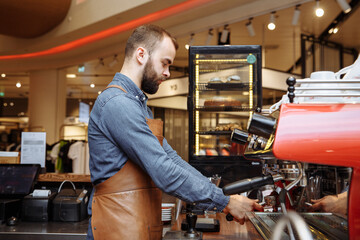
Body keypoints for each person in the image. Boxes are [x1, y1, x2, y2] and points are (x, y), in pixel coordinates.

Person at [86, 24, 262, 240]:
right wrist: (224, 202)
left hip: (135, 225)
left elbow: (172, 160)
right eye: (165, 63)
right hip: (115, 228)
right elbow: (163, 171)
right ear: (141, 54)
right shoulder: (117, 103)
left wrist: (224, 197)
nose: (168, 72)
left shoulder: (138, 105)